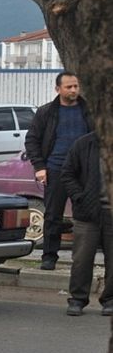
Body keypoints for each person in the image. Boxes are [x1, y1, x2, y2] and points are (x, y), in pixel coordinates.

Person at [25, 71, 91, 270]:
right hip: (55, 169)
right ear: (58, 89)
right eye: (69, 87)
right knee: (53, 215)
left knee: (86, 216)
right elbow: (32, 140)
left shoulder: (88, 111)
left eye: (76, 86)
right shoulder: (47, 112)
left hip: (84, 172)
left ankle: (82, 259)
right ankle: (49, 257)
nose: (73, 90)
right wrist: (40, 167)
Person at [59, 132, 113, 316]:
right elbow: (67, 174)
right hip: (87, 213)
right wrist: (79, 197)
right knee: (82, 259)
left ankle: (110, 300)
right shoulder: (84, 144)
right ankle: (77, 299)